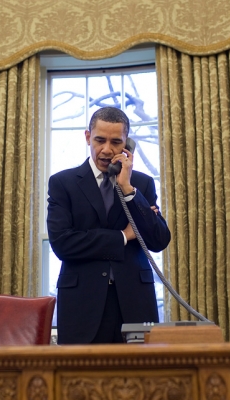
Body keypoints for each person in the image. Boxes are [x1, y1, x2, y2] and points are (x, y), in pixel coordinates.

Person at [47, 106, 172, 344]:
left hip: (135, 301)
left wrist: (127, 188)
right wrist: (123, 237)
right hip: (82, 304)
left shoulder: (141, 184)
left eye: (116, 142)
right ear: (87, 137)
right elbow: (63, 243)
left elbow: (159, 240)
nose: (106, 150)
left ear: (127, 143)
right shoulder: (63, 183)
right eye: (99, 140)